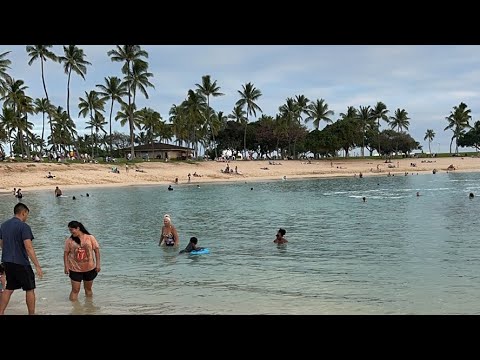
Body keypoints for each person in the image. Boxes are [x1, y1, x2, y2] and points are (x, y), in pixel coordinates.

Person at [0, 203, 43, 315]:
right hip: (21, 262)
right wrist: (37, 265)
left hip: (7, 261)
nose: (26, 217)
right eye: (26, 215)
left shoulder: (4, 225)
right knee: (29, 288)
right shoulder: (24, 227)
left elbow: (1, 243)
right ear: (23, 212)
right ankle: (31, 314)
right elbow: (29, 247)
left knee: (9, 288)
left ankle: (1, 312)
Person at [64, 221, 101, 302]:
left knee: (88, 289)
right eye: (69, 230)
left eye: (72, 230)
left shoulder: (90, 237)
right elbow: (66, 254)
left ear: (78, 228)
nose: (71, 232)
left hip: (89, 268)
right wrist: (66, 267)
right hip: (75, 269)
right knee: (75, 290)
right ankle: (74, 309)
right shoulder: (69, 240)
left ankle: (89, 306)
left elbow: (97, 251)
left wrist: (98, 265)